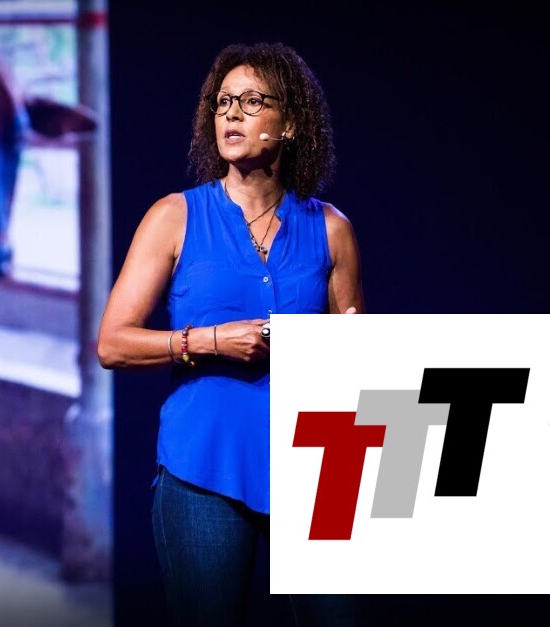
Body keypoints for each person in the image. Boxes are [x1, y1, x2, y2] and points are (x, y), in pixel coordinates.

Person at [97, 42, 363, 626]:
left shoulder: (331, 228)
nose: (232, 114)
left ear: (290, 123)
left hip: (316, 472)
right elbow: (112, 343)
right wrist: (211, 341)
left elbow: (356, 368)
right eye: (222, 103)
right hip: (204, 467)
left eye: (252, 102)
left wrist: (350, 349)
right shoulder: (175, 216)